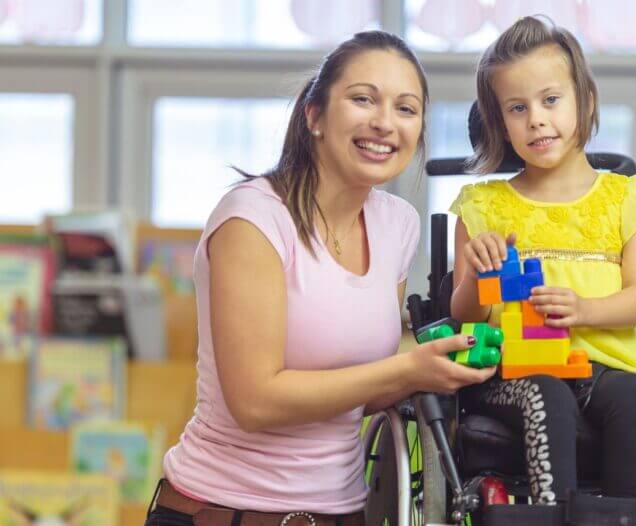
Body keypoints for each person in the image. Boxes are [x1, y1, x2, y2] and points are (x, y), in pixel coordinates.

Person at [145, 30, 496, 526]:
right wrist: (406, 371)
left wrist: (441, 368)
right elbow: (255, 401)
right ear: (314, 116)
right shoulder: (254, 218)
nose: (384, 123)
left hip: (342, 513)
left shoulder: (397, 224)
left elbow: (356, 390)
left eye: (406, 108)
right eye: (362, 99)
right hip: (224, 512)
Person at [450, 16, 636, 505]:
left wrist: (584, 310)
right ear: (499, 122)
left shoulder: (629, 199)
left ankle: (624, 519)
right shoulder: (481, 207)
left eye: (551, 100)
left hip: (606, 368)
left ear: (583, 100)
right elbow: (464, 317)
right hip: (514, 372)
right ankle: (552, 518)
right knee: (545, 394)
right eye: (517, 108)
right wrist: (482, 276)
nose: (537, 120)